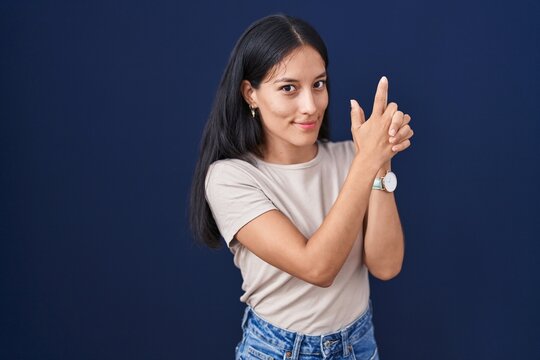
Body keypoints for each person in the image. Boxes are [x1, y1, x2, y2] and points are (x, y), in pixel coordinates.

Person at [189, 13, 413, 360]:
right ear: (250, 93)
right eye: (288, 88)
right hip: (278, 350)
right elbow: (317, 268)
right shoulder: (230, 177)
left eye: (318, 84)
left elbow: (386, 266)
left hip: (359, 345)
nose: (310, 106)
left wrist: (380, 163)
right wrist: (367, 162)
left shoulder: (351, 158)